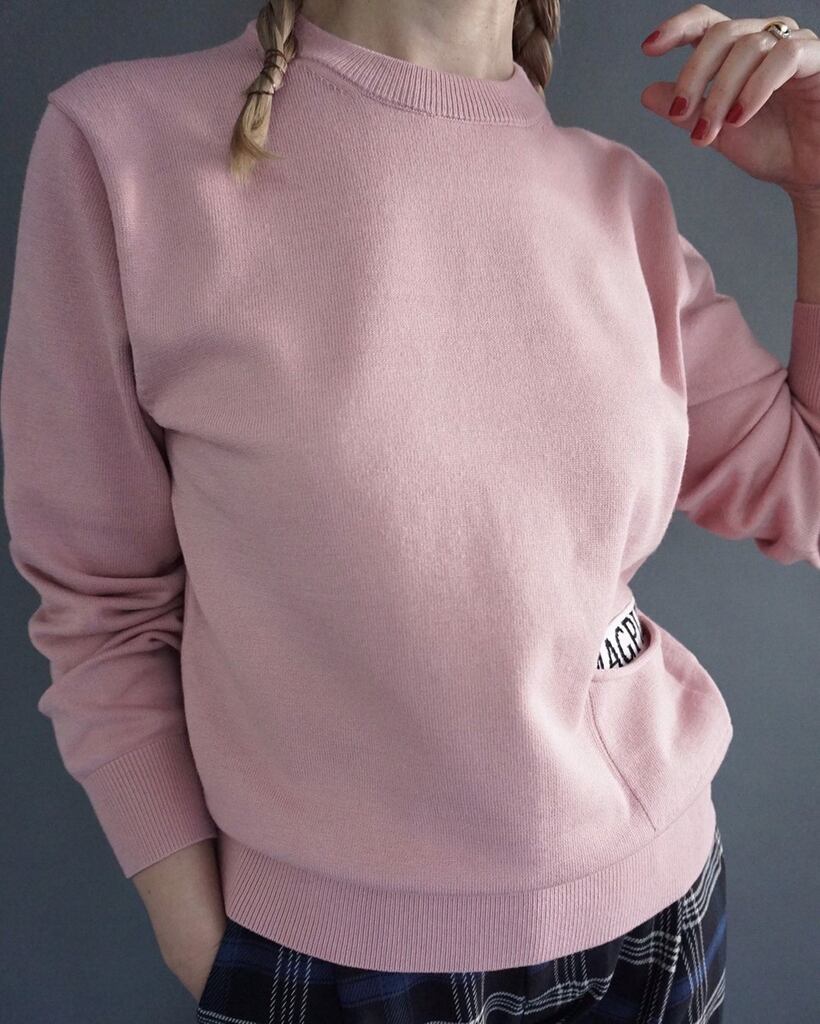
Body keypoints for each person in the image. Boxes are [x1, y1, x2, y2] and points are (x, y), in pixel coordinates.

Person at [2, 2, 819, 1021]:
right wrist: (195, 932)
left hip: (658, 922)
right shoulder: (125, 149)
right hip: (334, 964)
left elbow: (805, 487)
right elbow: (101, 597)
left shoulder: (616, 199)